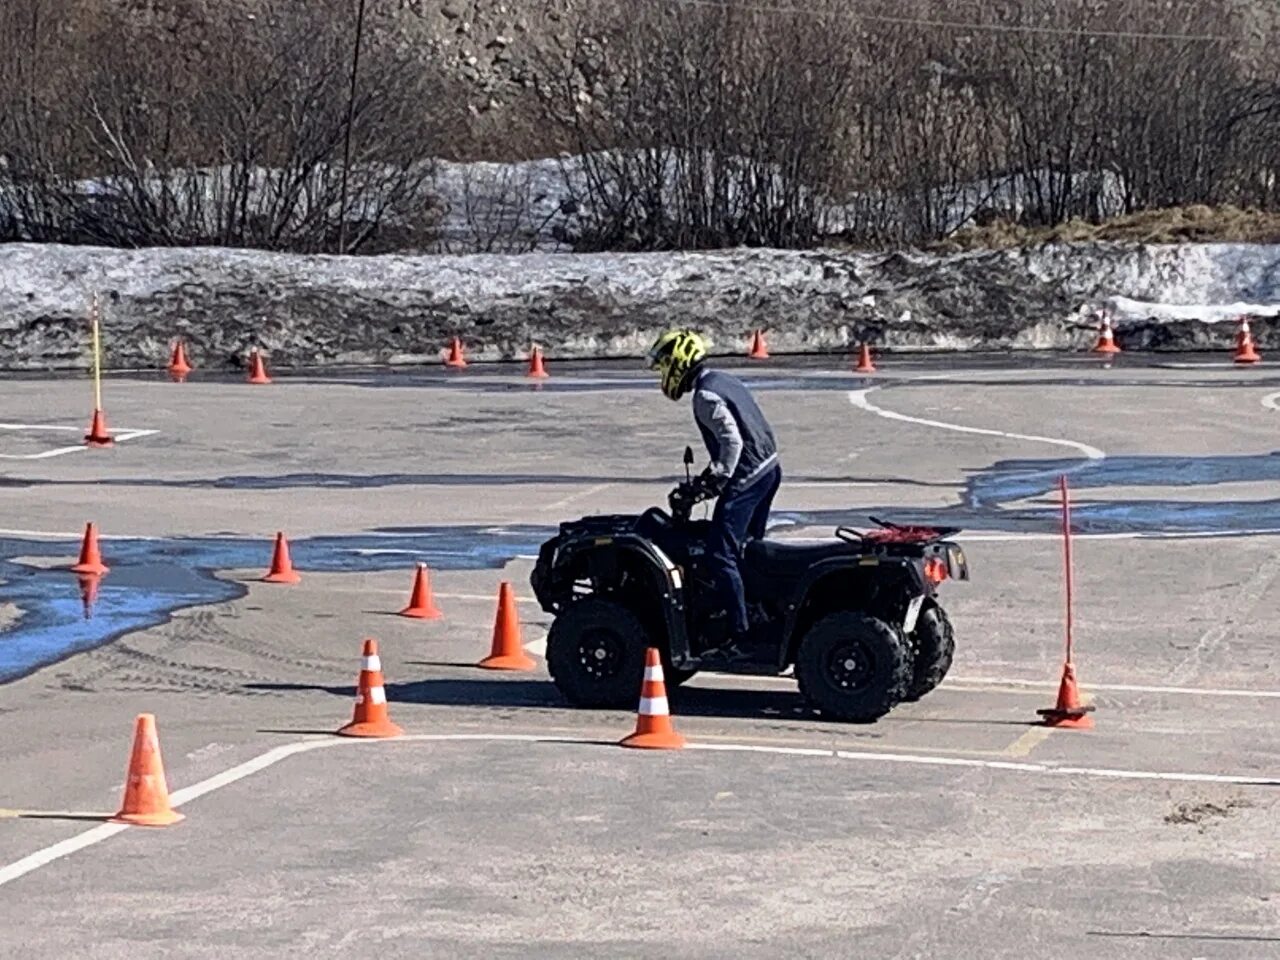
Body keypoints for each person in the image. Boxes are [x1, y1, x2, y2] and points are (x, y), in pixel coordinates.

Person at [647, 330, 782, 659]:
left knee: (720, 555)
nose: (663, 373)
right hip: (770, 468)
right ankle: (758, 616)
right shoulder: (725, 379)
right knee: (748, 551)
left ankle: (740, 636)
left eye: (664, 364)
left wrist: (712, 480)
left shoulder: (705, 397)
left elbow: (732, 442)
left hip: (747, 476)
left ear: (679, 361)